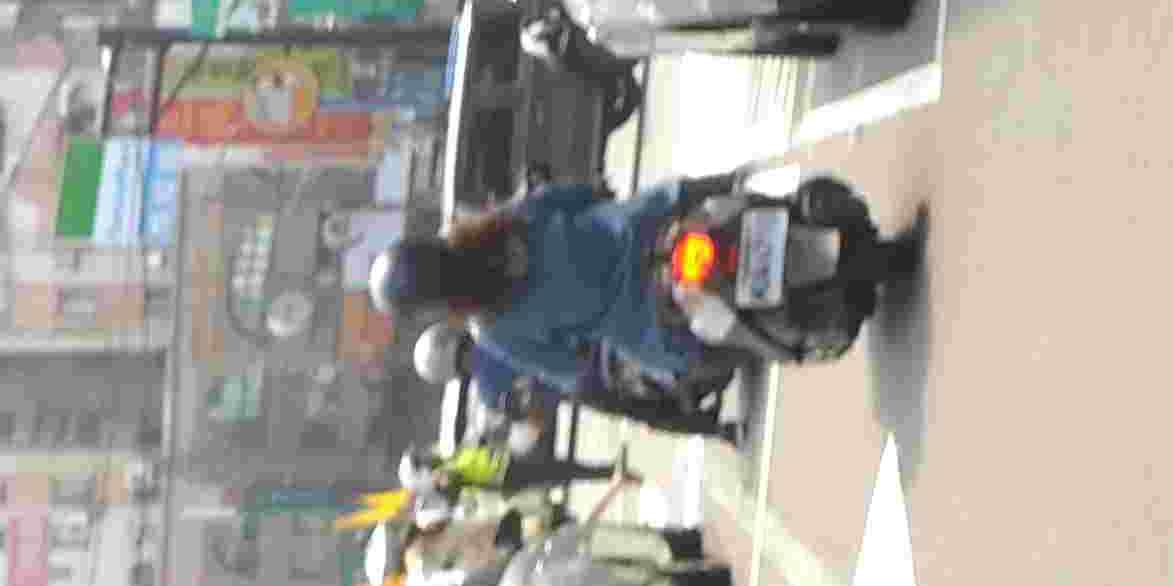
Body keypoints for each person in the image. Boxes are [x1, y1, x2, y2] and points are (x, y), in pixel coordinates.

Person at [367, 173, 919, 411]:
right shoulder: (501, 224)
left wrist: (584, 358)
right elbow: (575, 196)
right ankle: (815, 234)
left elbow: (569, 367)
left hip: (652, 322)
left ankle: (809, 318)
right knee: (736, 192)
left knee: (712, 358)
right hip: (654, 218)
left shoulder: (492, 328)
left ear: (432, 307)